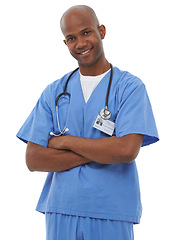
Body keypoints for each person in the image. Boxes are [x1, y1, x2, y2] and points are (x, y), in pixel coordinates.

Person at [17, 5, 159, 240]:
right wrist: (105, 149)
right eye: (71, 38)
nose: (80, 43)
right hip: (61, 208)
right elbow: (33, 159)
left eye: (86, 32)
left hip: (111, 211)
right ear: (65, 44)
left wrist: (66, 142)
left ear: (101, 31)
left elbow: (126, 150)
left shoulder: (130, 87)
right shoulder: (54, 92)